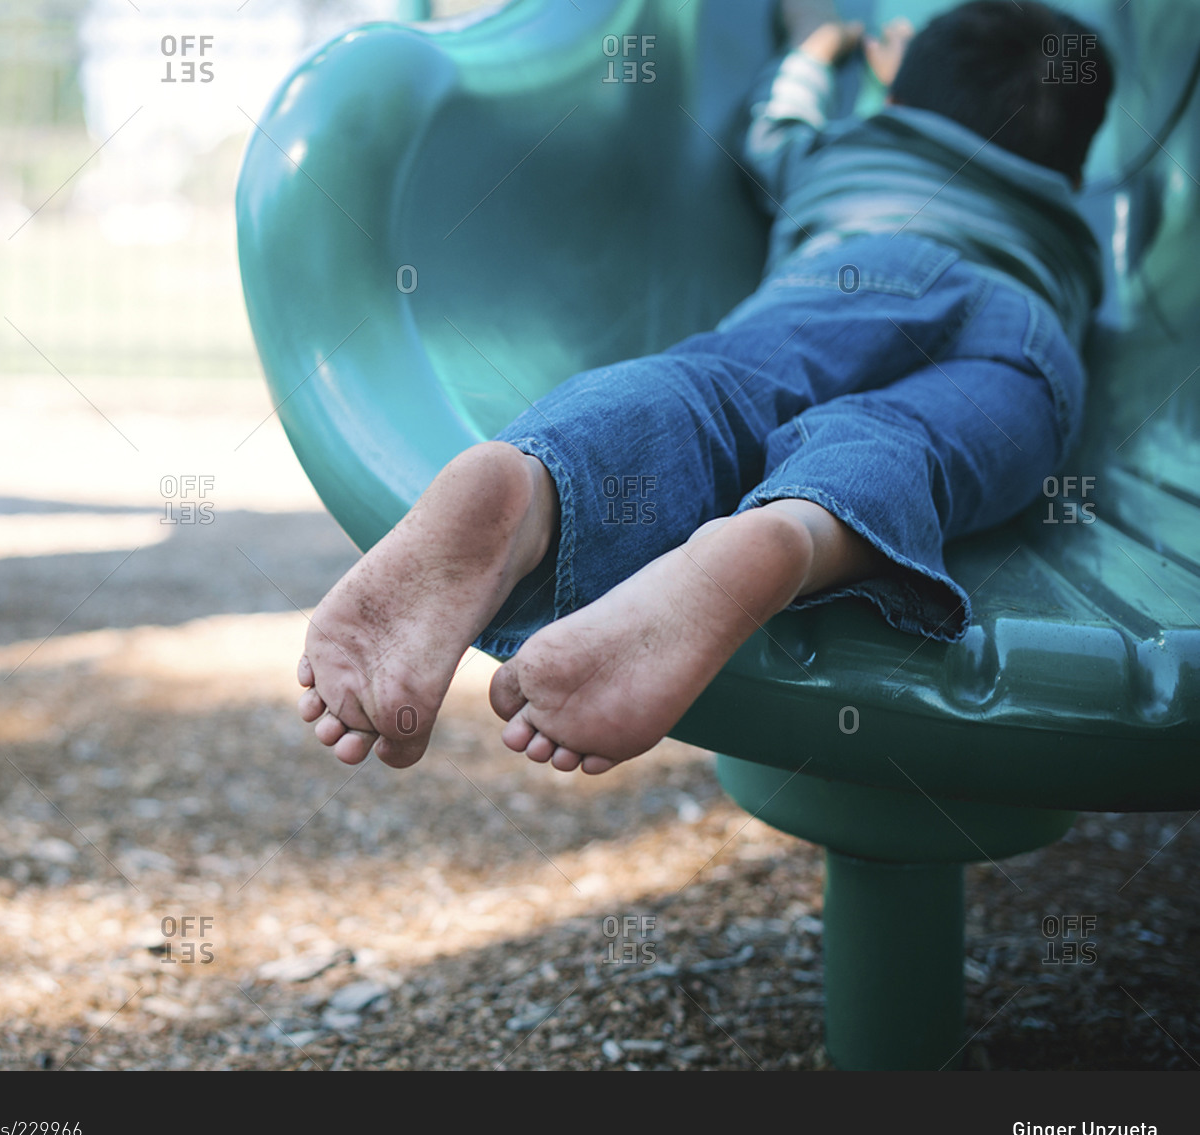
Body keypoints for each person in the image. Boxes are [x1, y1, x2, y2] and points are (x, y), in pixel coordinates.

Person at [296, 0, 1114, 775]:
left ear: (900, 94)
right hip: (1025, 330)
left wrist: (821, 49)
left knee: (726, 386)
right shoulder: (1074, 231)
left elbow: (775, 122)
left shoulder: (849, 147)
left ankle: (539, 486)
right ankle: (790, 536)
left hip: (859, 263)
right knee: (910, 444)